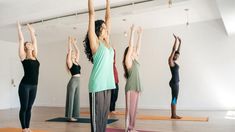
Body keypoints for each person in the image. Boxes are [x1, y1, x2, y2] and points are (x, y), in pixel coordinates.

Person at [83, 0, 115, 131]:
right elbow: (91, 14)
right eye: (103, 28)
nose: (106, 29)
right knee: (96, 123)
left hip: (108, 84)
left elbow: (108, 18)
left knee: (103, 121)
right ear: (97, 31)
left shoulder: (107, 42)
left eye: (106, 28)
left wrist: (108, 2)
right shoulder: (95, 43)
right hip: (97, 85)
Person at [17, 22, 40, 132]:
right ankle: (23, 128)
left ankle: (28, 127)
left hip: (34, 86)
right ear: (25, 48)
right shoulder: (23, 57)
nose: (30, 44)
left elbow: (34, 40)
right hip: (25, 85)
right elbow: (21, 40)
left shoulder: (36, 56)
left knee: (30, 107)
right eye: (28, 44)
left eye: (31, 44)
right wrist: (19, 28)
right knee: (24, 107)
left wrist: (31, 30)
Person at [123, 25, 143, 132]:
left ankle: (132, 127)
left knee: (134, 110)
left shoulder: (136, 60)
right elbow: (131, 46)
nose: (135, 50)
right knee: (130, 109)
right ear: (129, 53)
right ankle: (127, 129)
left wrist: (140, 35)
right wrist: (132, 32)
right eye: (133, 50)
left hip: (136, 87)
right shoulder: (128, 61)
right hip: (130, 88)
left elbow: (138, 47)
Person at [65, 36, 81, 121]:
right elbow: (69, 51)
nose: (74, 54)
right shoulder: (70, 62)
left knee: (76, 99)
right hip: (73, 81)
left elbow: (78, 51)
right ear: (70, 56)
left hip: (78, 81)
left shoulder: (76, 61)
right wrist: (69, 42)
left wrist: (74, 43)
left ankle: (75, 115)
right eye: (72, 53)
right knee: (71, 98)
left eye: (74, 53)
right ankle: (69, 117)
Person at [168, 34, 182, 119]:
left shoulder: (174, 62)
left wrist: (180, 43)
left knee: (175, 98)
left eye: (178, 56)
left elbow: (177, 51)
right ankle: (173, 115)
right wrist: (176, 40)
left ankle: (174, 114)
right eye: (175, 55)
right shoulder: (171, 61)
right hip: (174, 83)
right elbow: (174, 50)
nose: (177, 57)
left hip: (175, 82)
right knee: (174, 98)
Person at [110, 49, 119, 114]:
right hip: (111, 81)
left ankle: (112, 108)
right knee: (112, 95)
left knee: (115, 95)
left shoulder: (113, 64)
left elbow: (114, 55)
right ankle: (112, 109)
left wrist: (114, 50)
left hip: (115, 81)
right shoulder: (108, 65)